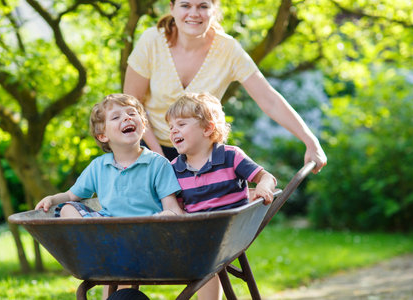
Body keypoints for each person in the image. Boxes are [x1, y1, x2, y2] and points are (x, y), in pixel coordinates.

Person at [123, 0, 327, 175]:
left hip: (201, 152)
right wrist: (159, 157)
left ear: (214, 9)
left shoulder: (228, 50)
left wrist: (310, 141)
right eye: (185, 5)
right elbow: (132, 105)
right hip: (147, 144)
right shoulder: (152, 41)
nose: (194, 13)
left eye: (203, 6)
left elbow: (269, 99)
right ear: (172, 8)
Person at [166, 92, 277, 298]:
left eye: (181, 124)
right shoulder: (174, 169)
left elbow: (267, 177)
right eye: (171, 127)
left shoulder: (230, 156)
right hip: (196, 234)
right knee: (202, 258)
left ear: (208, 128)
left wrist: (263, 186)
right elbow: (177, 209)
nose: (173, 131)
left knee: (205, 260)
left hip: (231, 232)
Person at [35, 93, 184, 218]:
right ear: (102, 136)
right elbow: (71, 196)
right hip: (108, 227)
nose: (127, 118)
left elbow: (172, 208)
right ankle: (92, 245)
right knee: (67, 208)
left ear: (143, 125)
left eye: (132, 113)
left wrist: (166, 216)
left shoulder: (158, 164)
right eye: (116, 117)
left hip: (146, 226)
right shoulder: (98, 166)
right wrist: (52, 198)